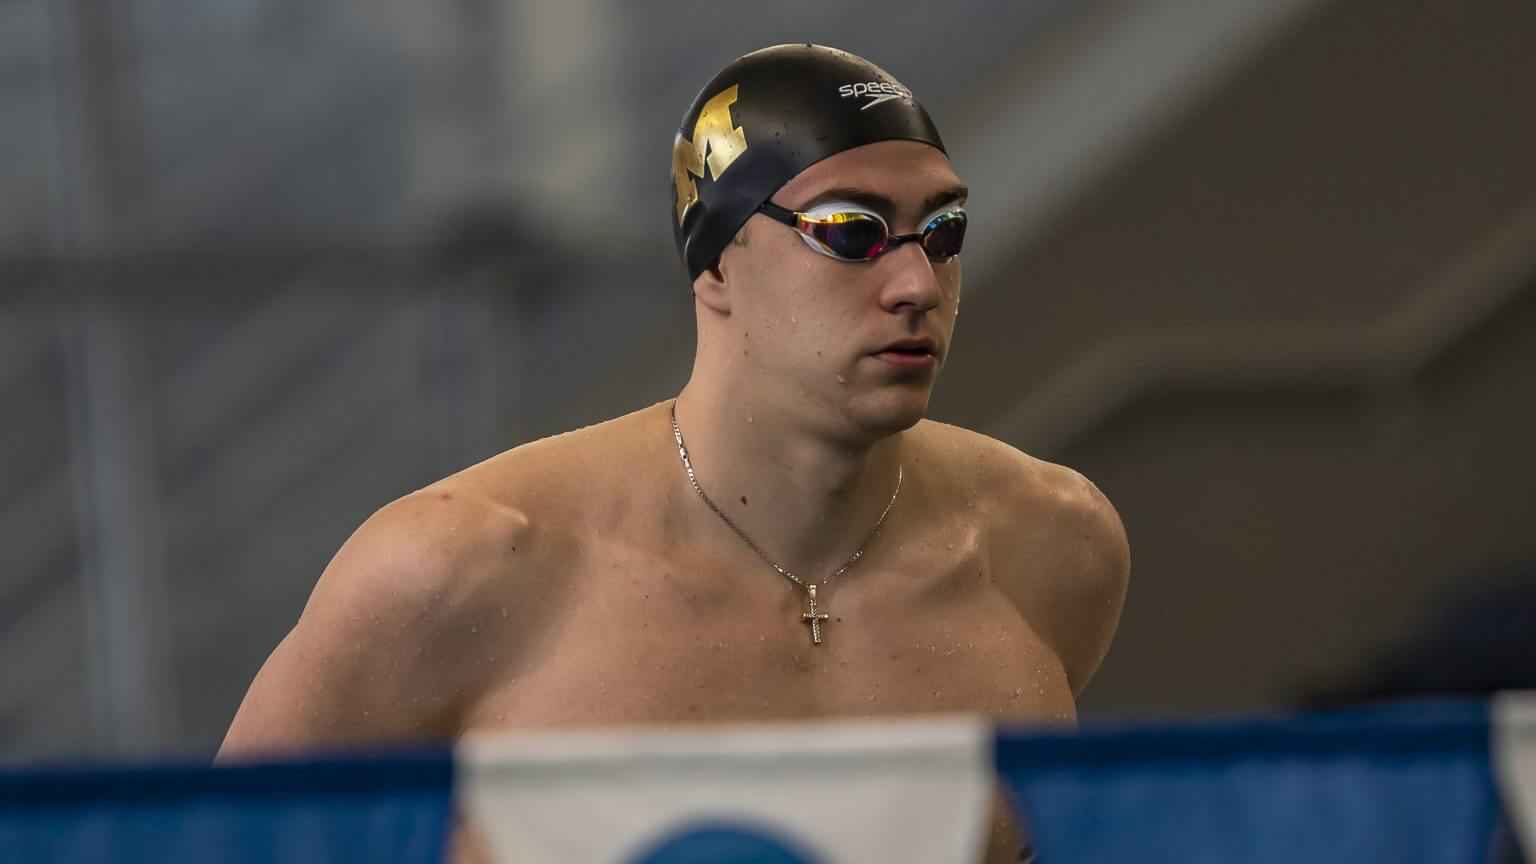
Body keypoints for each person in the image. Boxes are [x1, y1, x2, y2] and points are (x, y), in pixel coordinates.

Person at [219, 44, 1131, 862]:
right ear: (718, 262)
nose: (916, 284)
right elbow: (204, 845)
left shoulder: (1050, 547)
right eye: (851, 232)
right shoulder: (463, 569)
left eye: (943, 232)